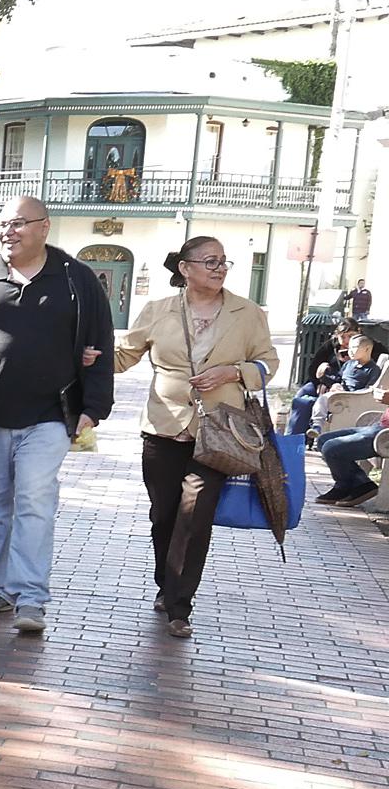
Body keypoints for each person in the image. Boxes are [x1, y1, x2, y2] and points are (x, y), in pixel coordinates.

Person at [0, 194, 115, 636]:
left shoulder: (75, 278)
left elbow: (100, 345)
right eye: (2, 224)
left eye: (17, 224)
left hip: (50, 416)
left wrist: (93, 409)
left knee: (34, 501)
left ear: (44, 227)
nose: (7, 232)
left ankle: (31, 597)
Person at [111, 237, 279, 639]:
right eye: (210, 261)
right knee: (163, 515)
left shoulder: (247, 313)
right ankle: (166, 583)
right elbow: (124, 356)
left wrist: (233, 372)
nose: (219, 269)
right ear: (185, 268)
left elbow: (267, 363)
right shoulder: (158, 310)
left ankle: (179, 605)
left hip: (220, 432)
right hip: (164, 427)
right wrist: (87, 355)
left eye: (223, 262)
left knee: (195, 516)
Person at [289, 328, 376, 436]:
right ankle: (315, 427)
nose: (349, 348)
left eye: (354, 346)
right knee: (302, 399)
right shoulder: (347, 363)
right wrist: (326, 378)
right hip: (334, 390)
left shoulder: (372, 368)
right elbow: (338, 377)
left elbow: (370, 389)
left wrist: (349, 392)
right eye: (343, 337)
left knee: (312, 402)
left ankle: (311, 430)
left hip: (351, 396)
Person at [317, 379, 389, 506]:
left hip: (385, 436)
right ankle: (359, 484)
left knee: (331, 448)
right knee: (323, 440)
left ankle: (350, 486)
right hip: (379, 426)